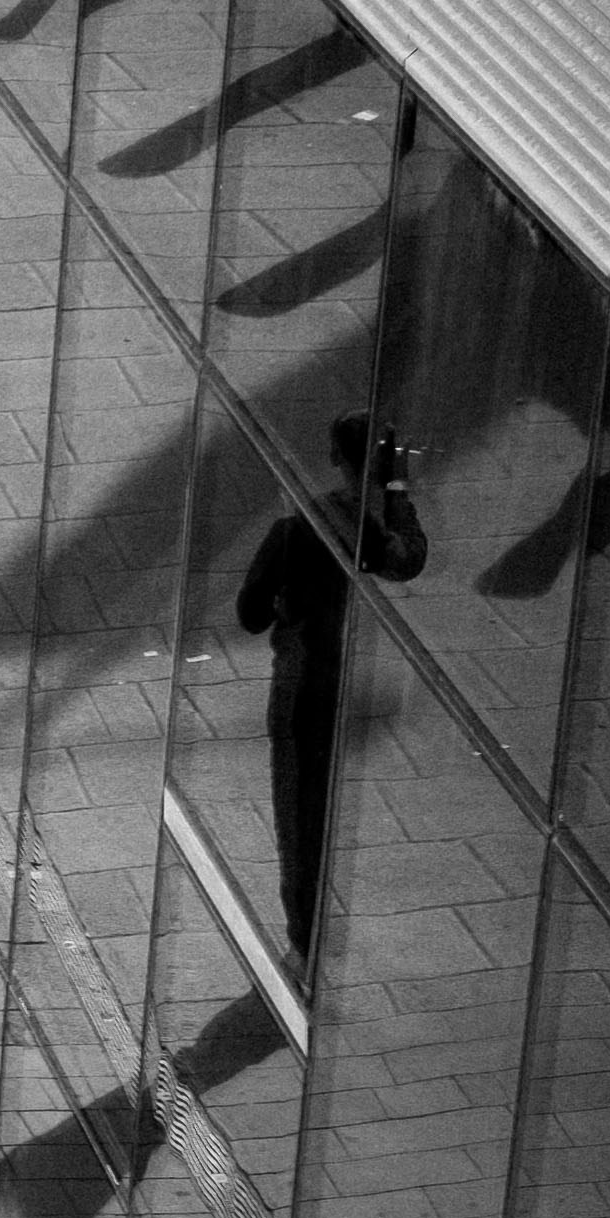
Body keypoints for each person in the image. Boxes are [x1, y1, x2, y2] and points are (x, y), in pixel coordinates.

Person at [234, 409, 427, 976]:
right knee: (319, 811)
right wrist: (397, 491)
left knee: (299, 821)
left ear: (335, 456)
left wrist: (281, 606)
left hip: (300, 690)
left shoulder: (297, 527)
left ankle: (303, 945)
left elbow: (249, 614)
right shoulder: (369, 532)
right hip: (340, 686)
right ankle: (310, 935)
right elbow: (409, 558)